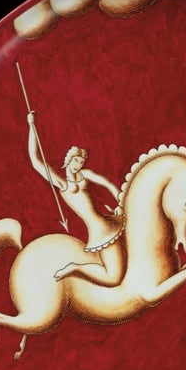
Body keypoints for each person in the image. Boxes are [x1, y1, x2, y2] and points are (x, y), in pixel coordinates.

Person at [27, 111, 126, 284]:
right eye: (75, 161)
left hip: (108, 221)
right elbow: (36, 161)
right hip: (99, 230)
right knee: (113, 279)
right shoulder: (63, 185)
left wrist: (121, 200)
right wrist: (31, 126)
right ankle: (75, 267)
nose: (78, 165)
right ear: (68, 160)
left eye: (81, 162)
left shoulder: (84, 174)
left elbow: (107, 183)